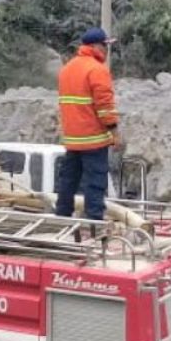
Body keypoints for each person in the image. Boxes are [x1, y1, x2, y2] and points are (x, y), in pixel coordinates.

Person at [55, 27, 120, 221]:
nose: (107, 51)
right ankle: (94, 222)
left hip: (73, 139)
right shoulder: (97, 70)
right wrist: (115, 133)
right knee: (95, 182)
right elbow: (105, 107)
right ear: (96, 47)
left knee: (68, 180)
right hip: (94, 139)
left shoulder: (67, 69)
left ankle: (62, 216)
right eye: (106, 46)